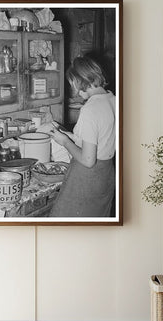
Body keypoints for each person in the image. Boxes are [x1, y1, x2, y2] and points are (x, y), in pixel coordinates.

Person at [49, 56, 116, 217]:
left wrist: (64, 141)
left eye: (75, 86)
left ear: (83, 81)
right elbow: (101, 138)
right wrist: (72, 136)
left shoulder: (90, 108)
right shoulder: (113, 99)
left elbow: (88, 160)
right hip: (106, 174)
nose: (76, 92)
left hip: (87, 177)